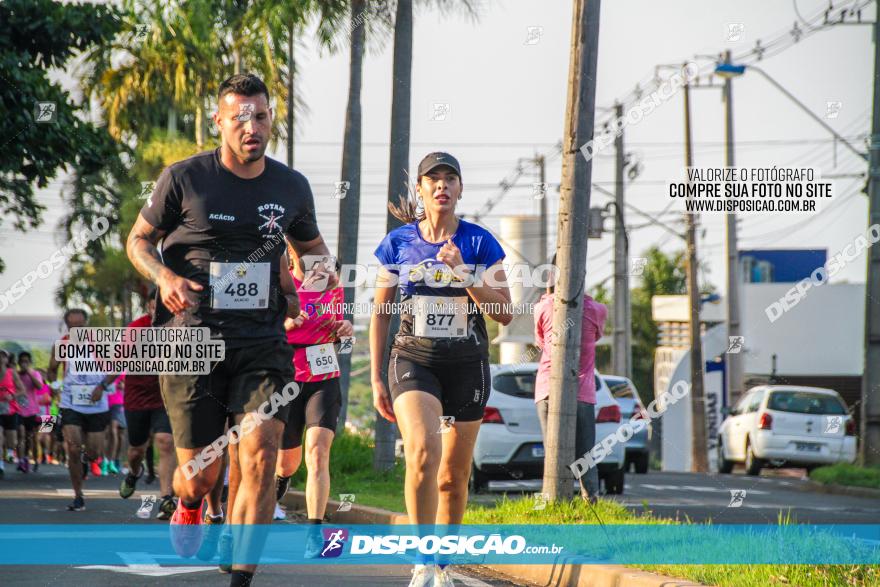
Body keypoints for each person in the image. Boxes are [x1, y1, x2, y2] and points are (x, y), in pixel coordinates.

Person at [126, 73, 334, 586]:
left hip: (263, 341)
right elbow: (137, 242)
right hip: (190, 337)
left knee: (261, 453)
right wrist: (166, 276)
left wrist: (313, 288)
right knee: (202, 476)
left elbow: (312, 251)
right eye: (239, 117)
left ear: (270, 121)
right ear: (218, 121)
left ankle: (242, 576)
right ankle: (190, 505)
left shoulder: (291, 186)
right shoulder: (184, 179)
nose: (251, 126)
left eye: (260, 116)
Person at [370, 152, 512, 587]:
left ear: (460, 189)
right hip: (414, 358)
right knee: (423, 452)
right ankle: (422, 561)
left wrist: (464, 274)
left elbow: (504, 312)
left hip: (467, 363)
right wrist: (376, 376)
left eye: (450, 179)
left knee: (453, 476)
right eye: (433, 180)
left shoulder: (479, 242)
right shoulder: (398, 243)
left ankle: (444, 567)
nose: (441, 186)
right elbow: (381, 312)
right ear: (421, 189)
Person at [276, 248, 351, 552]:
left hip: (323, 376)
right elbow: (261, 333)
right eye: (313, 264)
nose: (319, 270)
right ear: (295, 262)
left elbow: (340, 332)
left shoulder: (334, 291)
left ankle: (313, 531)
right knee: (287, 464)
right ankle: (281, 480)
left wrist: (344, 331)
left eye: (324, 265)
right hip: (287, 378)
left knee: (318, 452)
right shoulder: (282, 288)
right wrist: (286, 326)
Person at [533, 254, 607, 502]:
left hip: (546, 389)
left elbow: (541, 342)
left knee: (552, 451)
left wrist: (548, 292)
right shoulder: (597, 310)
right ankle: (591, 499)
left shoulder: (542, 307)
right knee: (585, 453)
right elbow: (595, 337)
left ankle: (553, 499)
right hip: (583, 391)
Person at [47, 308, 116, 511]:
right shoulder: (62, 344)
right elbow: (52, 369)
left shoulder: (100, 342)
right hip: (70, 403)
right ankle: (78, 496)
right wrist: (54, 386)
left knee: (94, 452)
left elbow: (116, 366)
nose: (77, 329)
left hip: (97, 402)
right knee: (74, 449)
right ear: (67, 326)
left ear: (87, 324)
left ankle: (88, 461)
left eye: (80, 325)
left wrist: (102, 387)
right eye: (72, 326)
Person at [118, 289, 179, 520]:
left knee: (165, 442)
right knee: (136, 451)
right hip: (137, 396)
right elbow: (119, 359)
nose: (159, 312)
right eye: (156, 307)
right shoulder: (136, 328)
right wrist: (103, 385)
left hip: (165, 397)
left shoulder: (178, 327)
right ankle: (134, 473)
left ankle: (166, 499)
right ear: (149, 307)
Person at [16, 352, 50, 473]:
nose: (24, 364)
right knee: (21, 434)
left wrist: (30, 373)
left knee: (35, 438)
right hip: (18, 410)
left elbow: (40, 388)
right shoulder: (16, 375)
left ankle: (37, 458)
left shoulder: (36, 375)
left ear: (30, 363)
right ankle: (22, 459)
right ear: (18, 363)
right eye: (22, 361)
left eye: (26, 361)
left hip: (39, 413)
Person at [0, 350, 26, 479]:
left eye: (3, 356)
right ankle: (1, 466)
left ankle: (12, 453)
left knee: (14, 439)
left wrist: (12, 395)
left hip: (46, 414)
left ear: (7, 359)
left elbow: (23, 390)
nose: (0, 358)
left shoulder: (12, 373)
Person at [103, 376, 126, 475]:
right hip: (103, 402)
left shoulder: (120, 368)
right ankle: (104, 461)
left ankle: (112, 461)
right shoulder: (101, 366)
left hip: (117, 403)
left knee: (114, 431)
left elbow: (126, 384)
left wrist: (122, 386)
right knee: (105, 432)